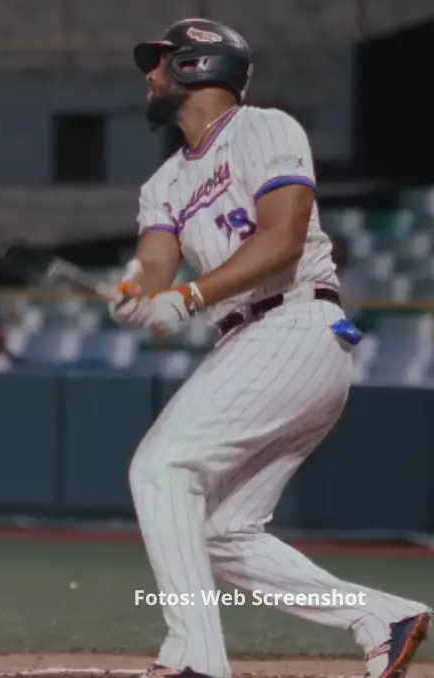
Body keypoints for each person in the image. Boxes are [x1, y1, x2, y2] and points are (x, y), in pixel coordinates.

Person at [110, 19, 429, 678]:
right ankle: (380, 616)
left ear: (199, 66)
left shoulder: (266, 128)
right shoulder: (164, 181)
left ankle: (196, 660)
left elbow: (282, 240)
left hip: (296, 325)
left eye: (160, 61)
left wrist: (190, 298)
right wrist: (139, 291)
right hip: (252, 343)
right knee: (220, 533)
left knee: (161, 468)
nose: (149, 74)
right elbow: (156, 264)